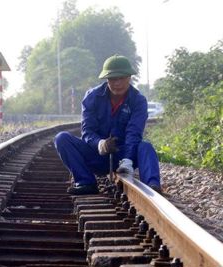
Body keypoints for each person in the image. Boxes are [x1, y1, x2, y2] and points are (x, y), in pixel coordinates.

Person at [54, 55, 161, 195]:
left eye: (121, 78)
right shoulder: (92, 97)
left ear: (129, 77)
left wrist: (128, 159)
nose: (117, 83)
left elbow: (134, 132)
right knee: (62, 138)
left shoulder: (138, 100)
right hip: (97, 154)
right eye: (112, 79)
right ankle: (85, 182)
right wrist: (100, 144)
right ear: (106, 79)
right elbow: (87, 131)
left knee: (145, 146)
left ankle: (152, 186)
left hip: (124, 155)